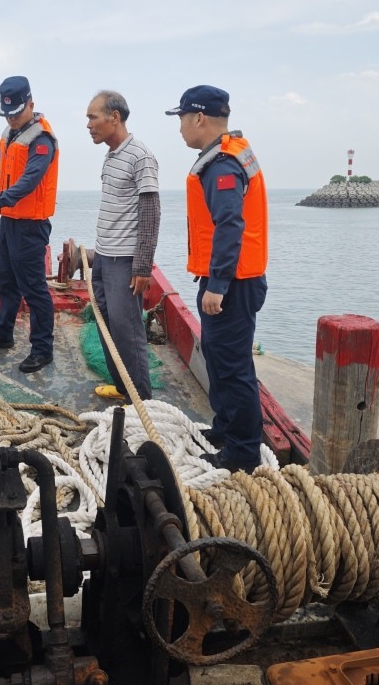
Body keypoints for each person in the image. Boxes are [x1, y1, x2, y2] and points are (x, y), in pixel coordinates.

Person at [165, 85, 268, 472]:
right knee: (219, 358)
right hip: (234, 280)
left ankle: (243, 452)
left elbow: (229, 225)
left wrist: (218, 286)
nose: (179, 128)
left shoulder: (222, 165)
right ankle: (226, 429)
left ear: (199, 118)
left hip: (232, 284)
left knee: (232, 368)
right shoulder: (227, 154)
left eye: (181, 119)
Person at [0, 76, 59, 373]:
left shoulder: (42, 140)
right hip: (10, 222)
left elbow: (29, 180)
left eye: (16, 113)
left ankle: (42, 349)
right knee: (5, 282)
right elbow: (5, 170)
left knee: (34, 289)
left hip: (31, 226)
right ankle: (3, 333)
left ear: (31, 104)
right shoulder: (13, 133)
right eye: (7, 114)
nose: (12, 119)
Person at [85, 90, 160, 402]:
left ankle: (140, 401)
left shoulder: (140, 156)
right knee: (105, 322)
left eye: (93, 117)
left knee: (127, 329)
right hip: (104, 256)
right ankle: (122, 386)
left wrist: (142, 266)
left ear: (114, 117)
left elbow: (150, 213)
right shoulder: (112, 154)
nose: (88, 125)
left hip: (125, 260)